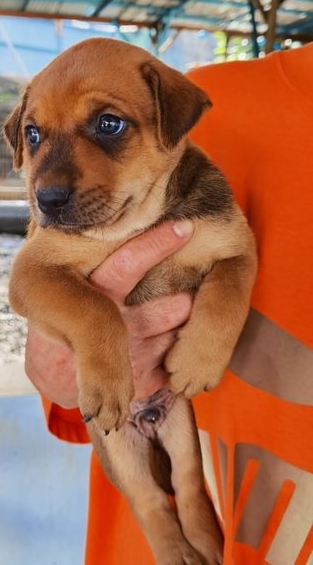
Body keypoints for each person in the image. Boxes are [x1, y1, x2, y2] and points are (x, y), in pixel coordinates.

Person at [26, 42, 313, 565]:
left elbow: (235, 255)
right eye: (34, 134)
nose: (49, 182)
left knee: (186, 470)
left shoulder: (192, 163)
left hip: (230, 492)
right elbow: (56, 367)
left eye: (107, 125)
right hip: (134, 461)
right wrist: (80, 345)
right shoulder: (222, 96)